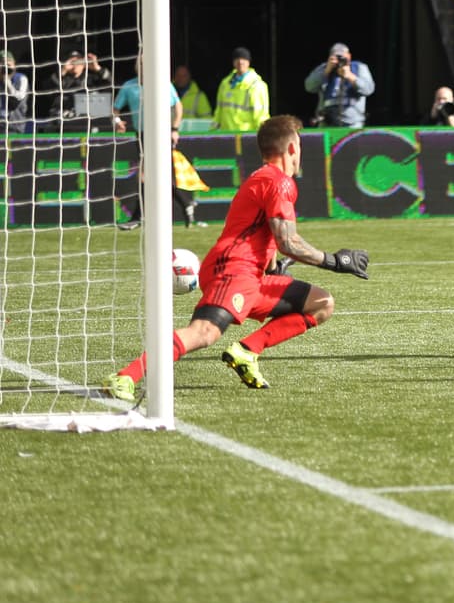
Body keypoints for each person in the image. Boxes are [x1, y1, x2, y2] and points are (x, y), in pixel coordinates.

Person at [102, 115, 370, 402]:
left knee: (321, 303)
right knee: (204, 332)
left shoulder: (263, 178)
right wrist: (334, 261)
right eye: (300, 145)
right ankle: (126, 375)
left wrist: (273, 267)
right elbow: (288, 241)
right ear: (292, 148)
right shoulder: (278, 182)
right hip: (234, 270)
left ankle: (246, 351)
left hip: (250, 274)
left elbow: (262, 236)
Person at [111, 53, 187, 229]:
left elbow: (178, 105)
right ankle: (186, 204)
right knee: (152, 176)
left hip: (161, 134)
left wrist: (174, 129)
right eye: (142, 63)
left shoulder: (163, 84)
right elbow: (115, 109)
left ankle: (137, 218)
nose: (145, 67)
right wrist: (117, 122)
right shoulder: (130, 86)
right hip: (142, 135)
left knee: (148, 176)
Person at [303, 42, 375, 128]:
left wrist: (350, 76)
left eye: (342, 57)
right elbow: (309, 87)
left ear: (349, 56)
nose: (339, 60)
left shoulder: (360, 67)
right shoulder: (323, 68)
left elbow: (369, 89)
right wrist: (325, 72)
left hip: (353, 122)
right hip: (327, 121)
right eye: (336, 57)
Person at [212, 47, 270, 133]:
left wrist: (264, 135)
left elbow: (261, 115)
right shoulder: (225, 83)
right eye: (237, 59)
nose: (240, 62)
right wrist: (212, 132)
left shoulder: (257, 85)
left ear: (249, 62)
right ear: (233, 62)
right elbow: (219, 111)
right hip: (226, 135)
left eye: (244, 59)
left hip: (246, 136)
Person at [1, 49, 30, 132]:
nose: (6, 66)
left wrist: (6, 81)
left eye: (9, 62)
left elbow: (17, 99)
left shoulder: (21, 78)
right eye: (2, 62)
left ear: (14, 64)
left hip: (14, 127)